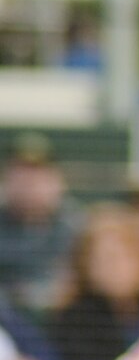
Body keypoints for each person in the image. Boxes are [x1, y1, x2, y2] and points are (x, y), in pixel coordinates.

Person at [47, 203, 139, 360]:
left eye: (126, 256)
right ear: (85, 265)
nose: (116, 268)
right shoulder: (75, 321)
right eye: (106, 259)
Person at [0, 133, 83, 316]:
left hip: (59, 324)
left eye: (38, 175)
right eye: (21, 174)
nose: (30, 183)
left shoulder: (76, 225)